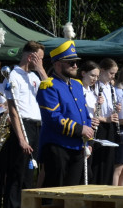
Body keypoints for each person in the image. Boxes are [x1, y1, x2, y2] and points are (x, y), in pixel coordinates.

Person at [36, 38, 94, 188]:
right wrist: (81, 129)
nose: (75, 65)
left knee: (73, 190)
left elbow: (84, 113)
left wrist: (89, 138)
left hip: (78, 146)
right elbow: (52, 117)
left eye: (76, 62)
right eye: (71, 62)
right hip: (57, 145)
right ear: (57, 64)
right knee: (55, 190)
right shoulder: (48, 85)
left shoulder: (77, 85)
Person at [1, 41, 46, 208]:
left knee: (29, 175)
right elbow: (13, 109)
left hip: (36, 126)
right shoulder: (13, 75)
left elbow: (50, 89)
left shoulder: (34, 76)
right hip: (22, 125)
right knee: (17, 175)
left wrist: (41, 70)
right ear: (30, 56)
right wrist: (21, 138)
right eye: (40, 58)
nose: (41, 62)